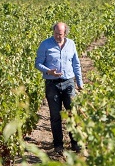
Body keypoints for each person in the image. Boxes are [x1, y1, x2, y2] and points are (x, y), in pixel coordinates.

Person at [35, 22, 83, 154]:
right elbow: (38, 63)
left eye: (60, 34)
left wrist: (80, 82)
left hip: (68, 82)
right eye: (55, 33)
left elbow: (76, 64)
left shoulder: (71, 44)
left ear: (65, 33)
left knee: (72, 113)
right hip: (52, 84)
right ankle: (58, 145)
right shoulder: (45, 44)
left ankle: (75, 143)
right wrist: (48, 71)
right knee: (55, 116)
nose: (57, 36)